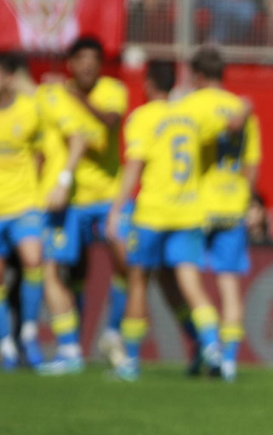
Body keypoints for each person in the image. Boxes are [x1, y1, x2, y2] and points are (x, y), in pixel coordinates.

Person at [106, 59, 248, 382]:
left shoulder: (141, 118)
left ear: (147, 84)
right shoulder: (190, 117)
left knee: (138, 280)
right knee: (189, 283)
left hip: (153, 213)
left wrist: (116, 209)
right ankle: (212, 347)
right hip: (188, 214)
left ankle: (129, 361)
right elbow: (232, 123)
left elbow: (134, 167)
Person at [34, 35, 131, 371]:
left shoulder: (112, 90)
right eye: (82, 59)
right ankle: (69, 348)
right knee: (66, 270)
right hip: (71, 201)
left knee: (127, 261)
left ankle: (114, 332)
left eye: (94, 59)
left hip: (108, 197)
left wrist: (73, 96)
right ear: (70, 64)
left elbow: (110, 122)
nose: (89, 65)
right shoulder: (51, 95)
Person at [0, 53, 64, 371]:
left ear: (9, 78)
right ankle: (6, 346)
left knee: (34, 259)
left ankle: (29, 334)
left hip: (23, 205)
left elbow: (54, 149)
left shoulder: (30, 111)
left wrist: (53, 187)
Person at [184, 48, 262, 380]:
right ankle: (228, 361)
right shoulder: (241, 110)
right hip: (232, 206)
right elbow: (252, 163)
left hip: (197, 206)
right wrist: (247, 201)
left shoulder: (188, 107)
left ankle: (209, 342)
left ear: (197, 76)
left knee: (188, 277)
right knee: (229, 284)